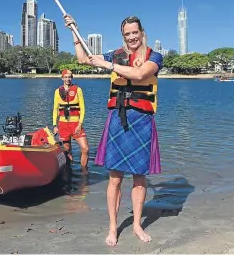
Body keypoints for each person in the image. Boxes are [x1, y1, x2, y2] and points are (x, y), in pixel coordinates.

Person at [64, 14, 162, 247]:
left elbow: (139, 74)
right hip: (118, 118)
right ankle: (112, 227)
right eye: (127, 34)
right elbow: (84, 60)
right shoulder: (117, 55)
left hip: (142, 119)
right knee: (115, 177)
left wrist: (108, 65)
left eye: (134, 32)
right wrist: (74, 32)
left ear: (141, 32)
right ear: (123, 36)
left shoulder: (155, 56)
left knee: (140, 176)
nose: (131, 37)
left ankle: (137, 224)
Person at [52, 69, 89, 170]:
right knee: (67, 150)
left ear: (72, 78)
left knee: (85, 148)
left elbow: (82, 108)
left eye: (70, 77)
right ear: (62, 78)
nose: (68, 79)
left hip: (76, 123)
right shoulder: (57, 91)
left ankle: (84, 171)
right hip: (63, 124)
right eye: (66, 77)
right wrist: (55, 125)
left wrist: (80, 124)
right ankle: (69, 170)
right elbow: (55, 109)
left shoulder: (78, 90)